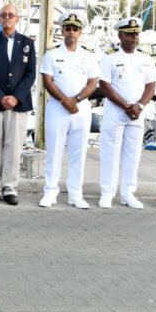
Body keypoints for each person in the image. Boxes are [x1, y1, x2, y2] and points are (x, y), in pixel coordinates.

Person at [39, 12, 99, 209]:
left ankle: (75, 194)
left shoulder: (88, 55)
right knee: (54, 152)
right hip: (58, 108)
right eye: (68, 29)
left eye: (75, 29)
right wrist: (65, 100)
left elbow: (93, 82)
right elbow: (47, 80)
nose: (71, 32)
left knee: (78, 152)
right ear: (62, 31)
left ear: (80, 32)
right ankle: (50, 192)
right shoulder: (52, 54)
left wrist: (77, 99)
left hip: (81, 109)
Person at [0, 4, 36, 206]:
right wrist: (1, 96)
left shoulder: (27, 43)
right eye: (3, 15)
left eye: (11, 15)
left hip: (18, 105)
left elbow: (31, 74)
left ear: (17, 18)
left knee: (14, 147)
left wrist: (15, 97)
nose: (7, 18)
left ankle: (10, 188)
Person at [97, 17, 156, 209]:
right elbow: (104, 85)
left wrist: (140, 105)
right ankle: (107, 193)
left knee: (133, 154)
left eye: (136, 34)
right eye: (130, 34)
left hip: (137, 113)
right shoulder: (110, 56)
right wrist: (126, 106)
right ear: (120, 35)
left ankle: (128, 193)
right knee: (110, 154)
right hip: (116, 112)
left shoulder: (145, 58)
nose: (134, 37)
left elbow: (151, 86)